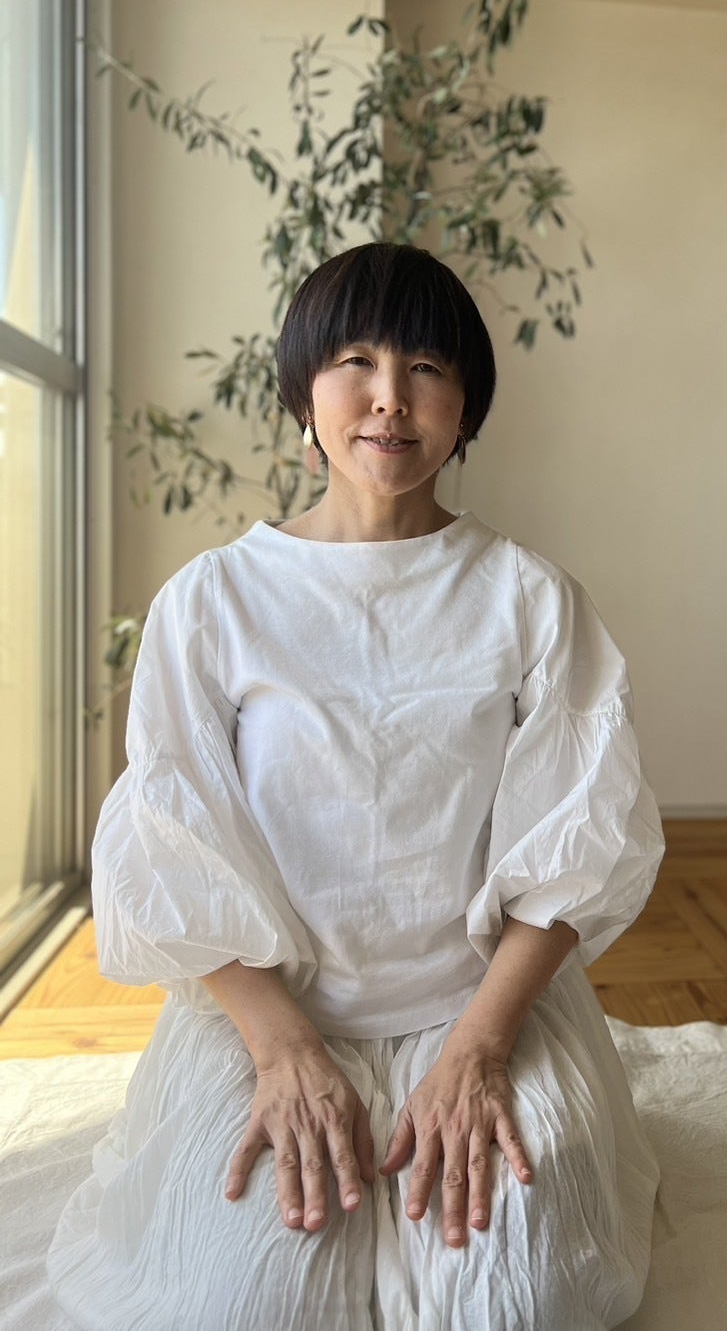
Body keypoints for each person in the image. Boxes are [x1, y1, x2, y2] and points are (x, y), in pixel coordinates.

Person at [47, 243, 665, 1330]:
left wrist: (480, 1048)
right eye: (355, 362)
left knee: (524, 1300)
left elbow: (578, 846)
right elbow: (173, 845)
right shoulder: (214, 599)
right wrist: (283, 1049)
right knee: (244, 1301)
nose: (390, 398)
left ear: (466, 406)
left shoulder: (529, 597)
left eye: (426, 367)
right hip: (273, 1011)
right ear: (304, 391)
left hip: (478, 1003)